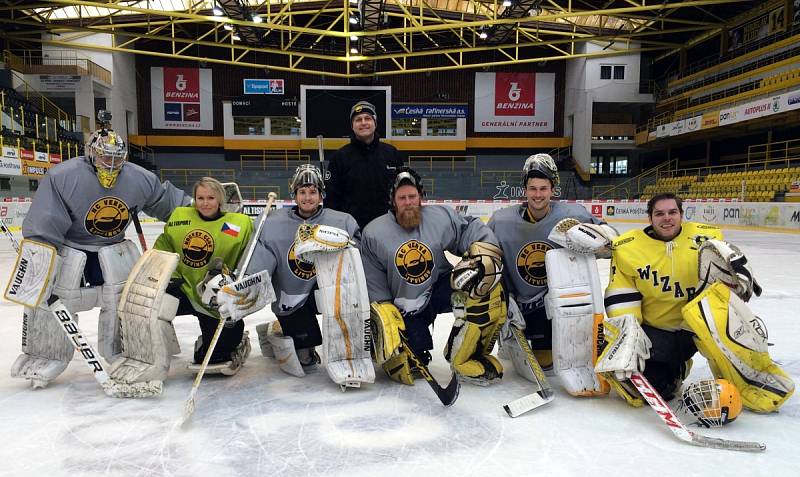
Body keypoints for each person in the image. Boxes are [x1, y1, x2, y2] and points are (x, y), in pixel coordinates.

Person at [8, 127, 190, 388]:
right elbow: (46, 220)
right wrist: (41, 258)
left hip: (114, 249)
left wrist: (206, 211)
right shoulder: (63, 176)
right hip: (72, 249)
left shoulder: (140, 178)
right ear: (91, 153)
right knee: (56, 299)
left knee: (126, 301)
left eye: (117, 158)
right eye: (106, 157)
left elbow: (168, 203)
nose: (112, 164)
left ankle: (128, 350)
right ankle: (47, 353)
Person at [598, 192, 794, 412]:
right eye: (659, 213)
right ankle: (676, 368)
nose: (667, 218)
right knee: (644, 386)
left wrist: (733, 291)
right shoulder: (628, 247)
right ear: (650, 218)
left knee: (729, 330)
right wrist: (628, 334)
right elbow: (621, 293)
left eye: (673, 212)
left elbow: (721, 294)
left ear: (682, 214)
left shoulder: (706, 239)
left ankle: (754, 376)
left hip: (701, 327)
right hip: (656, 333)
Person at [361, 166, 506, 385]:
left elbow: (469, 229)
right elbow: (372, 275)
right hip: (404, 308)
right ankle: (406, 352)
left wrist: (484, 248)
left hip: (440, 290)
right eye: (402, 198)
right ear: (393, 200)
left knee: (485, 289)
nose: (408, 201)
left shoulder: (440, 217)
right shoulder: (374, 232)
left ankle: (465, 356)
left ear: (420, 196)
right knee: (411, 361)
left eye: (412, 196)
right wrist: (383, 306)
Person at [487, 153, 613, 388]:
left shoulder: (572, 216)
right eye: (533, 188)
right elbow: (486, 255)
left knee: (552, 361)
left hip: (555, 303)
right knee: (541, 360)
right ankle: (508, 336)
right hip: (522, 303)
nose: (537, 195)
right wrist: (505, 297)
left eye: (543, 188)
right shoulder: (501, 221)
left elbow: (610, 245)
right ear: (524, 189)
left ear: (553, 189)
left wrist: (599, 241)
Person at [247, 164, 365, 384]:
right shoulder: (274, 224)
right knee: (306, 361)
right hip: (293, 298)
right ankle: (277, 330)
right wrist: (247, 283)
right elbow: (260, 262)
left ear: (321, 195)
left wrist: (343, 242)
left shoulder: (341, 221)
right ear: (294, 194)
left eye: (313, 192)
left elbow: (357, 256)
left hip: (328, 292)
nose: (307, 197)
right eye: (302, 192)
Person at [150, 177, 255, 375]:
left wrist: (232, 282)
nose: (205, 203)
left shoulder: (237, 225)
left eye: (210, 198)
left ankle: (235, 342)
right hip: (183, 288)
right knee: (153, 308)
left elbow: (248, 261)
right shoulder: (181, 218)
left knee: (215, 355)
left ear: (220, 200)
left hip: (215, 298)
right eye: (200, 198)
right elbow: (161, 250)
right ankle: (157, 352)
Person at [324, 100, 404, 229]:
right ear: (352, 125)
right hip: (352, 231)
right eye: (358, 119)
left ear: (375, 123)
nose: (363, 123)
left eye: (368, 118)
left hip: (388, 228)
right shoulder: (340, 157)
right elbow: (331, 201)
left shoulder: (391, 154)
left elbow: (402, 192)